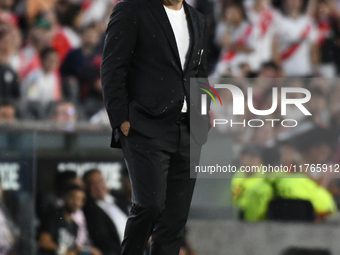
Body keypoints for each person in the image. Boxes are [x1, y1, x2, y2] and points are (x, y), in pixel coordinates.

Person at [101, 0, 211, 254]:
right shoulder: (131, 9)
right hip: (144, 125)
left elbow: (198, 73)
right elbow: (112, 67)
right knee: (149, 205)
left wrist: (202, 120)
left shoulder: (198, 19)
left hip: (189, 130)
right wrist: (120, 118)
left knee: (174, 221)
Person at [82, 169, 128, 255]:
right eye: (93, 183)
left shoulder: (119, 201)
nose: (98, 186)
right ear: (87, 188)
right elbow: (103, 241)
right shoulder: (90, 210)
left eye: (100, 181)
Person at [275, 0, 319, 77]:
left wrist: (315, 69)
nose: (293, 2)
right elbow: (274, 48)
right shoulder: (278, 21)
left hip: (306, 71)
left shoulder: (309, 22)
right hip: (286, 72)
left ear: (301, 2)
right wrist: (278, 69)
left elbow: (314, 48)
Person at [39, 185, 86, 255]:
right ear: (64, 197)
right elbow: (44, 242)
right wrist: (63, 251)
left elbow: (72, 248)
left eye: (80, 199)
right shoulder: (53, 215)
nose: (76, 202)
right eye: (73, 197)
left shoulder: (75, 225)